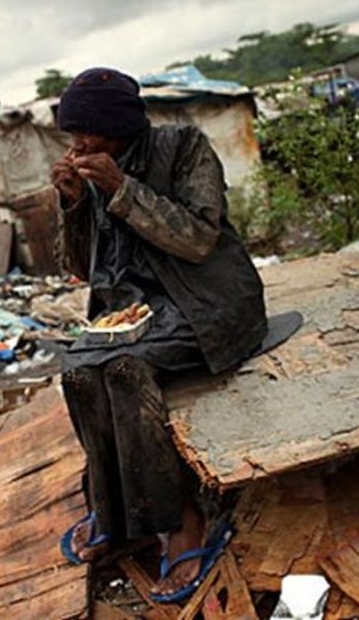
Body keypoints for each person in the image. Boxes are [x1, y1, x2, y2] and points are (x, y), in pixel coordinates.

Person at [51, 67, 267, 604]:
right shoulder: (95, 171)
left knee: (126, 371)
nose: (78, 144)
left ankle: (184, 522)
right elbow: (82, 268)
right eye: (72, 134)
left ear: (118, 126)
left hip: (207, 304)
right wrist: (75, 204)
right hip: (135, 313)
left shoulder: (184, 148)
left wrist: (123, 189)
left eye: (87, 132)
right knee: (77, 374)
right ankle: (113, 512)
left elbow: (197, 238)